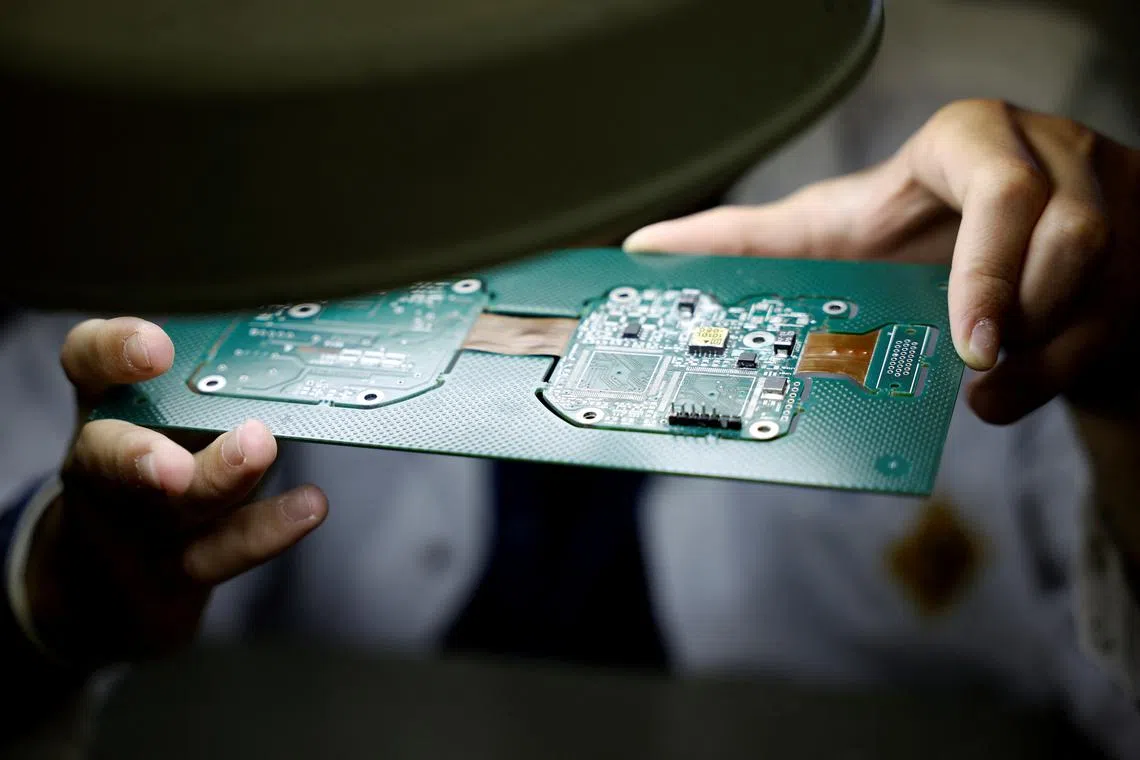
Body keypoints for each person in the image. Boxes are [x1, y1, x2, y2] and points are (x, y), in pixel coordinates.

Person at [4, 3, 1140, 757]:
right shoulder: (210, 123)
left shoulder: (1015, 155)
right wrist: (49, 597)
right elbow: (54, 496)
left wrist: (1133, 387)